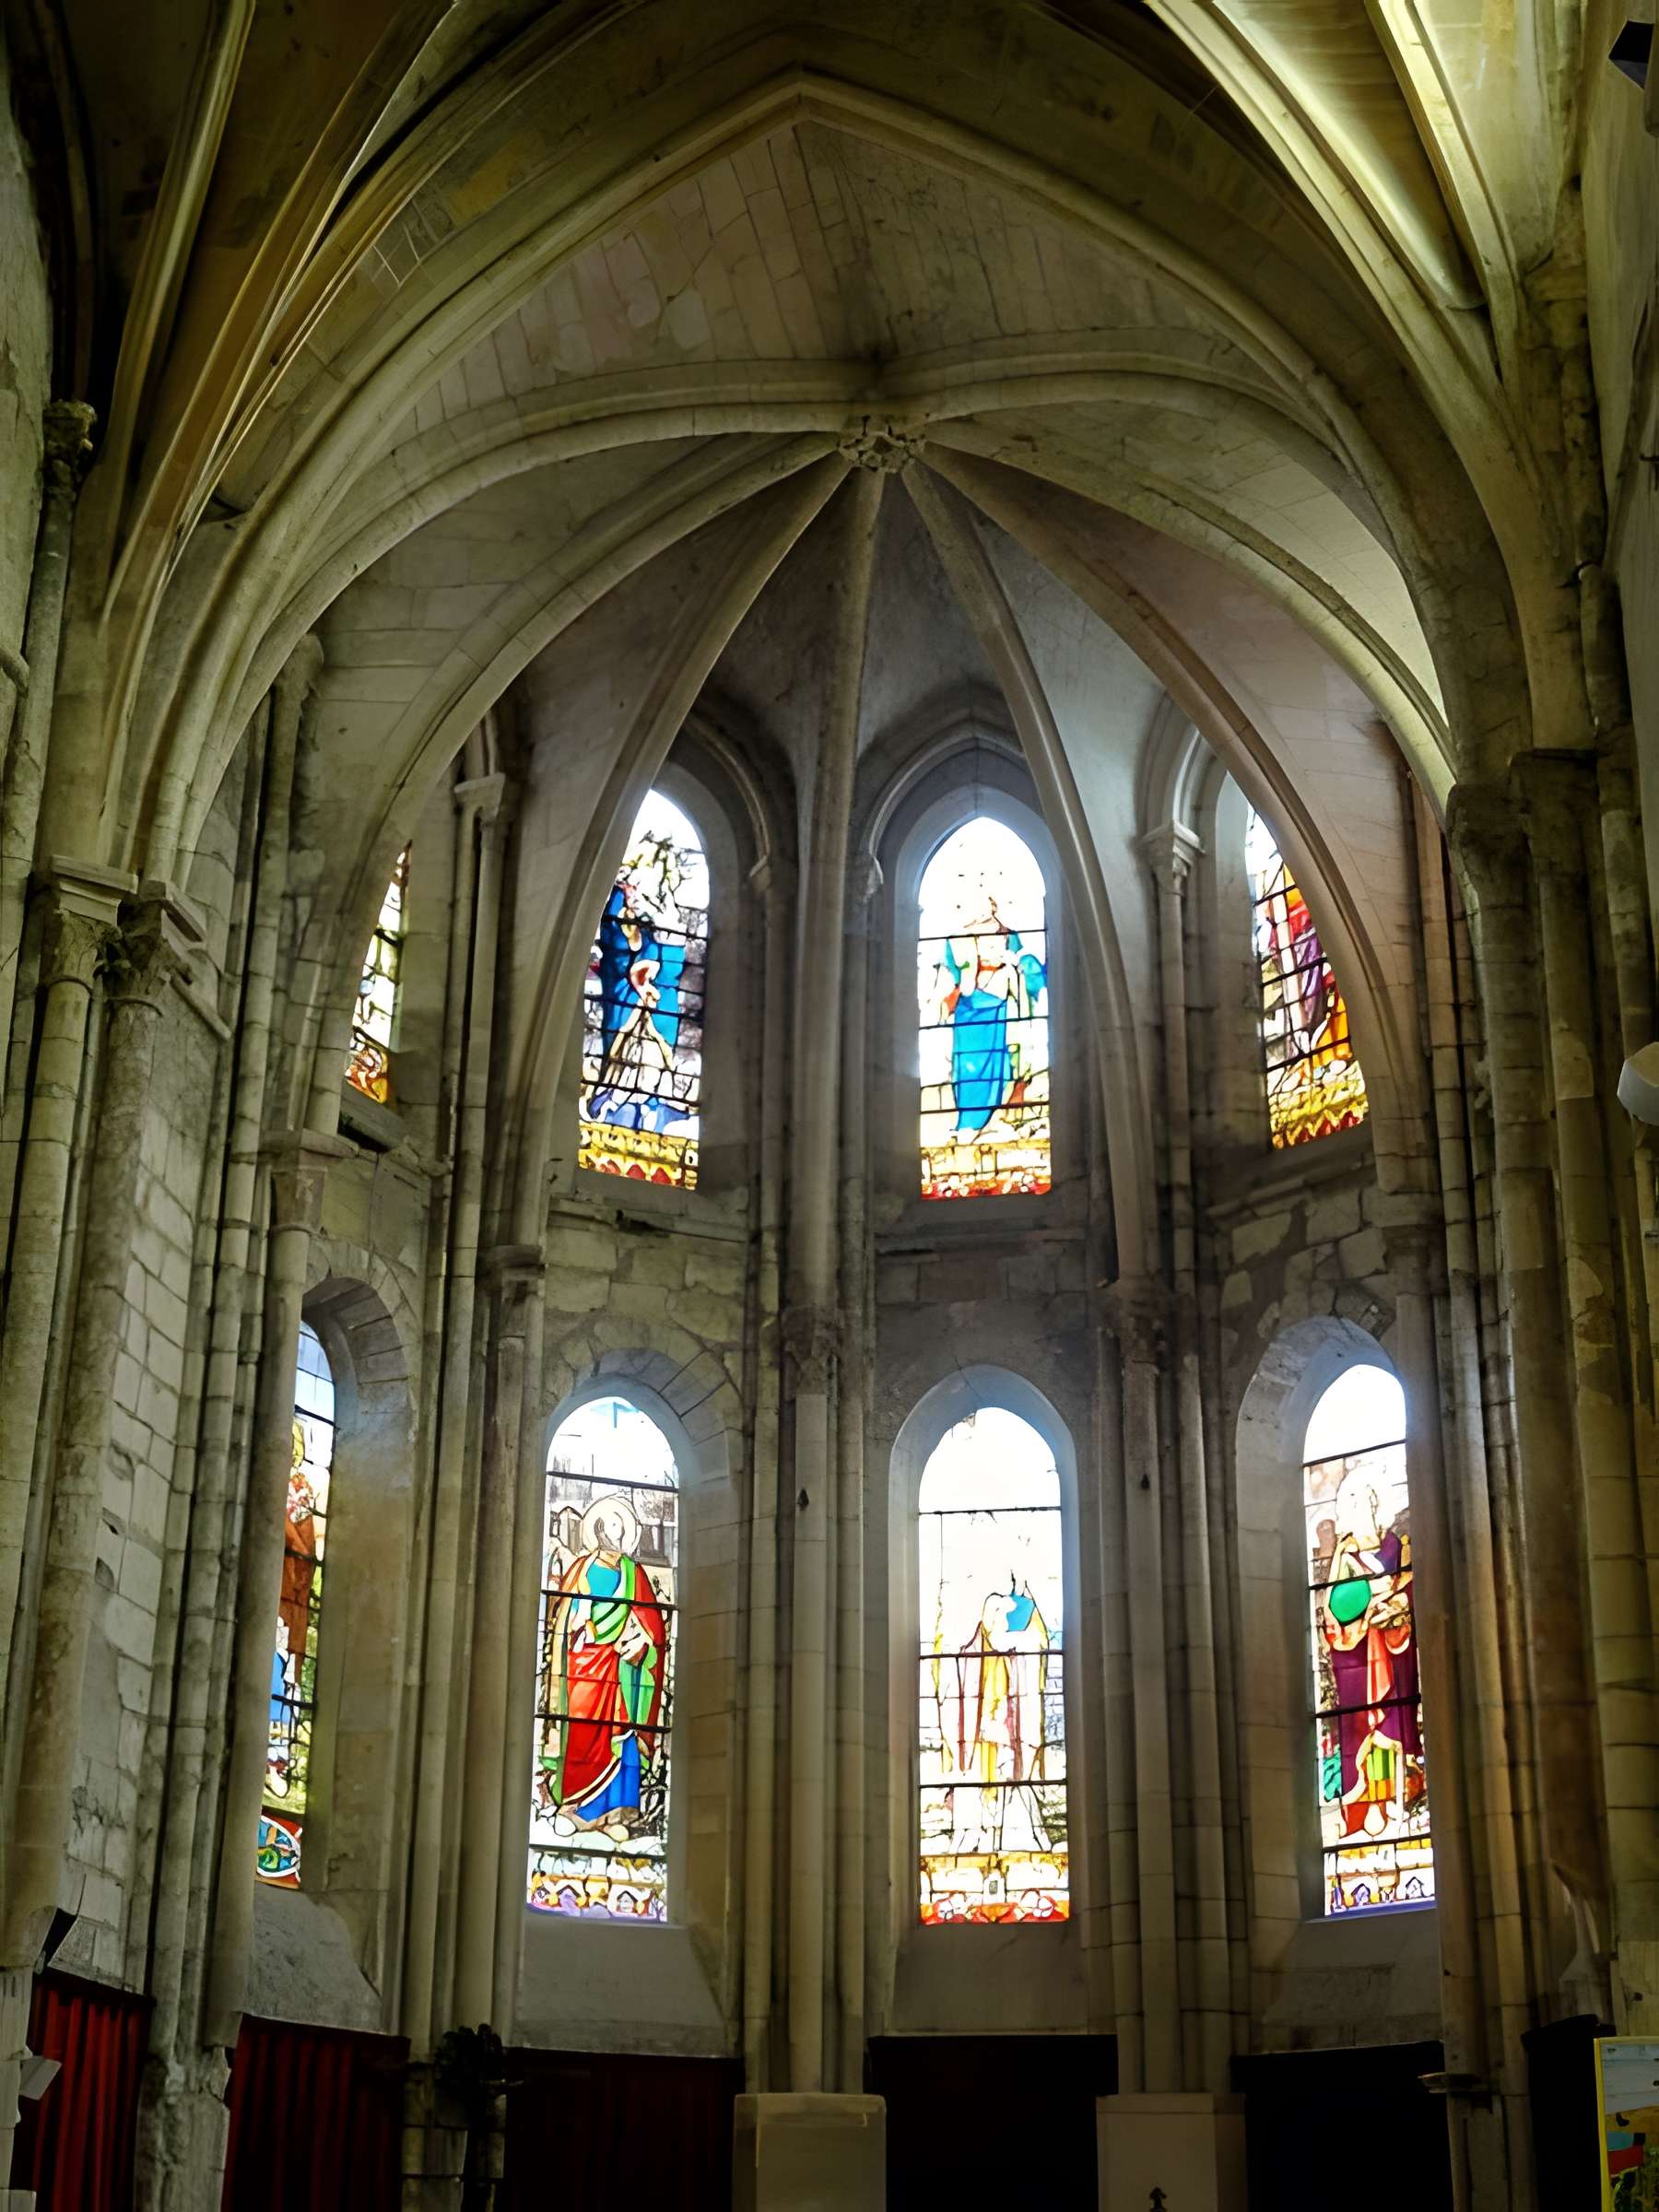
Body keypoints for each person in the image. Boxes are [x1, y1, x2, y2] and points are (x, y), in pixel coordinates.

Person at [536, 1495, 669, 1838]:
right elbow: (563, 1617)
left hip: (624, 1671)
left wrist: (643, 1643)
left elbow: (652, 1623)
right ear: (597, 1529)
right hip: (584, 1667)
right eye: (610, 1525)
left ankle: (616, 1816)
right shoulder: (581, 1569)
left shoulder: (633, 1572)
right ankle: (574, 1807)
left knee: (623, 1732)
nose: (616, 1532)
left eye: (621, 1526)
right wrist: (580, 1625)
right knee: (581, 1730)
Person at [1319, 1473, 1422, 1841]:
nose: (1367, 1510)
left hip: (1392, 1653)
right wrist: (1363, 1605)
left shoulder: (1398, 1547)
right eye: (1358, 1504)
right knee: (1362, 1729)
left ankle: (1400, 1801)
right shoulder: (1345, 1554)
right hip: (1359, 1661)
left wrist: (1395, 1604)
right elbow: (1334, 1609)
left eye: (1371, 1502)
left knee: (1392, 1723)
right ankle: (1367, 1807)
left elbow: (1410, 1591)